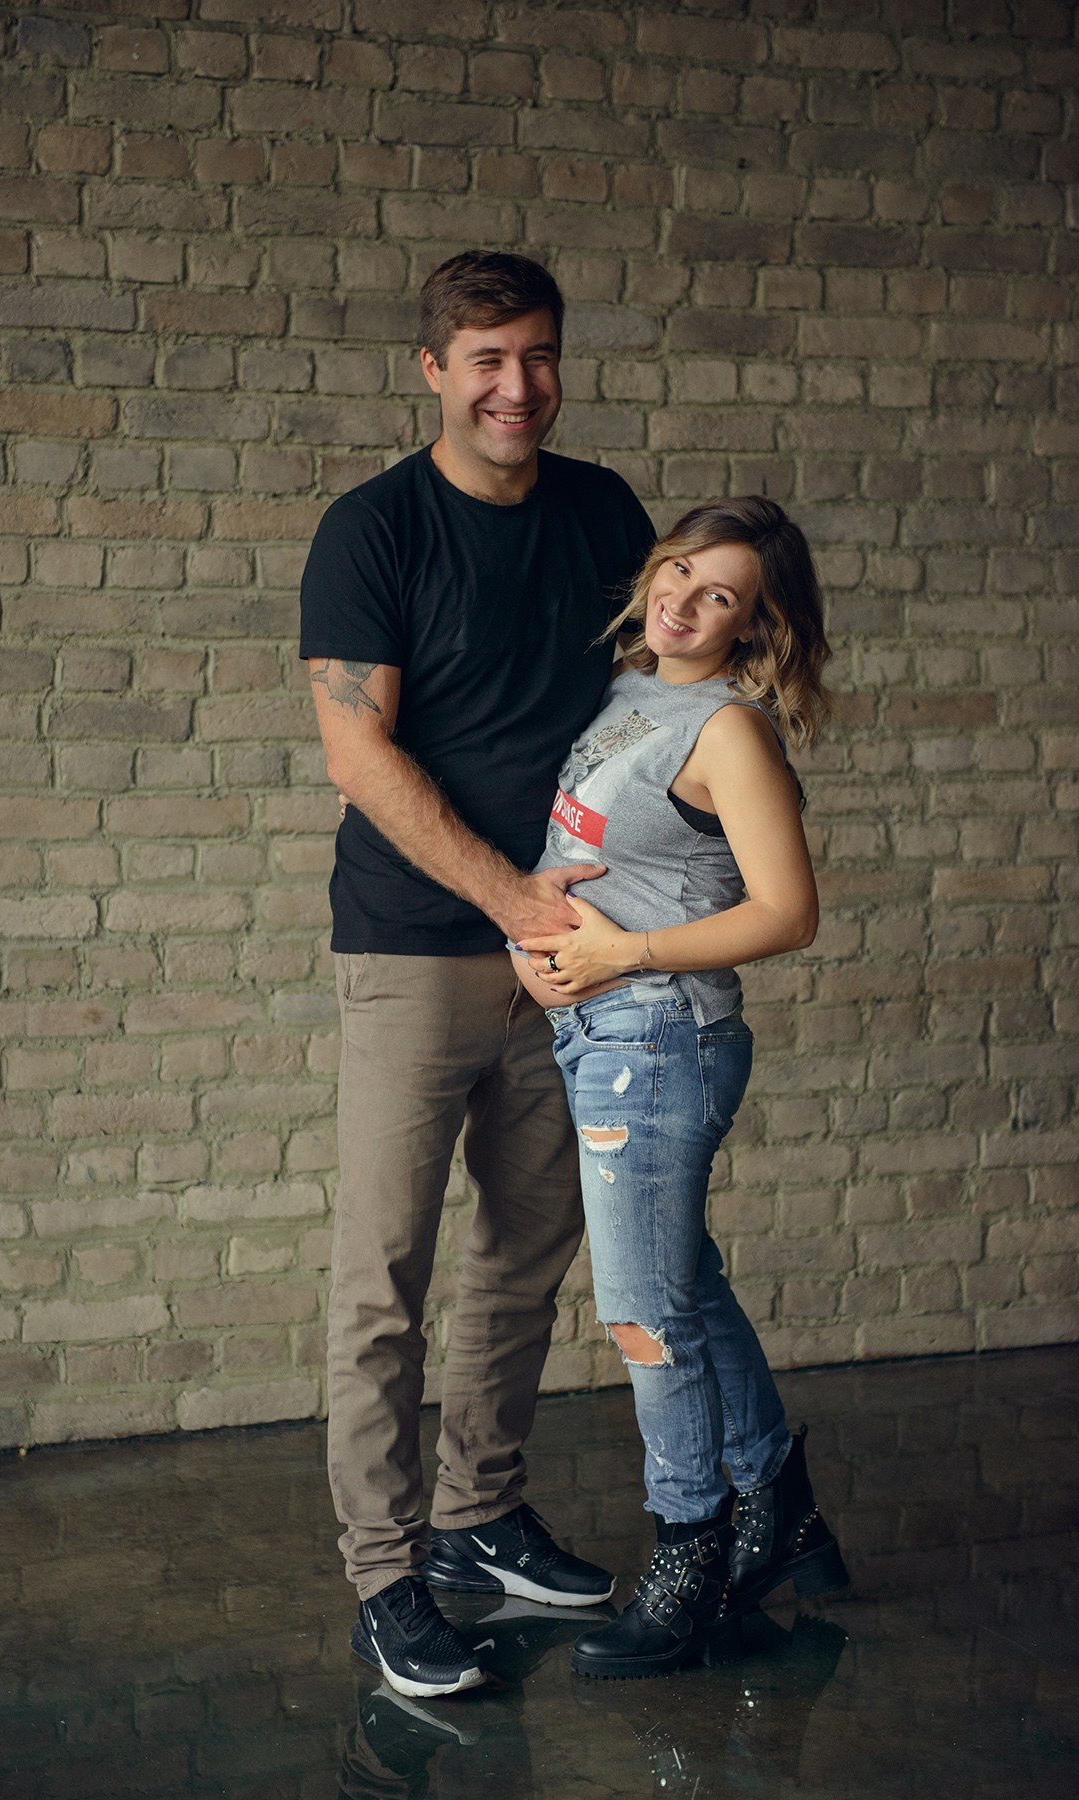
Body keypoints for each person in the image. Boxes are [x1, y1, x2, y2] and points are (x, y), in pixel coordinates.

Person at [299, 250, 657, 1699]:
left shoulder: (603, 512)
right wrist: (513, 900)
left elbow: (657, 701)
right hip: (417, 947)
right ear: (432, 369)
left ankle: (478, 1519)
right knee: (383, 1275)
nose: (520, 386)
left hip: (571, 955)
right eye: (487, 358)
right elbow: (354, 751)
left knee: (528, 1251)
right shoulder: (372, 530)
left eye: (541, 356)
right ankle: (386, 1578)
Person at [513, 497, 850, 1680]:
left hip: (657, 1039)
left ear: (757, 624)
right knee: (683, 1289)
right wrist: (544, 942)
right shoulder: (626, 688)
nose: (684, 600)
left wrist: (620, 955)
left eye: (720, 594)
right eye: (678, 571)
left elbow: (787, 913)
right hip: (603, 1029)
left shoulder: (726, 731)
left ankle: (688, 1556)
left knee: (641, 1317)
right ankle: (780, 1512)